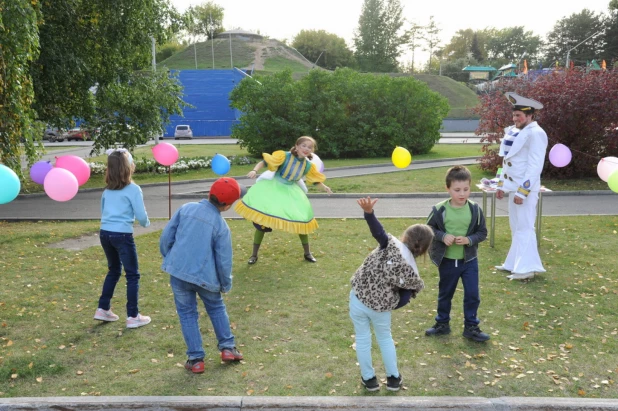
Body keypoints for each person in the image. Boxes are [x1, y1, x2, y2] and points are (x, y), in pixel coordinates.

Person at [160, 177, 246, 374]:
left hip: (179, 274)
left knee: (187, 313)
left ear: (210, 193)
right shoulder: (221, 226)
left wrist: (172, 259)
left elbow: (166, 238)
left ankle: (196, 359)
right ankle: (227, 348)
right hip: (207, 279)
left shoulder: (186, 209)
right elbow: (224, 260)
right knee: (216, 308)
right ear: (228, 205)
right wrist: (226, 284)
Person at [350, 197, 433, 392]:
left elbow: (377, 230)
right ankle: (393, 379)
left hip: (357, 297)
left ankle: (369, 379)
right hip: (381, 309)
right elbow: (404, 298)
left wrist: (369, 212)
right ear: (424, 249)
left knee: (362, 339)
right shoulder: (412, 272)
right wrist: (390, 304)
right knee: (385, 338)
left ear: (406, 236)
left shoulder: (389, 244)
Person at [235, 136, 332, 264]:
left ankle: (307, 253)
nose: (306, 149)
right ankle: (254, 255)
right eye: (303, 145)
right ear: (296, 146)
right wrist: (254, 170)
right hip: (273, 189)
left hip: (291, 192)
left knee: (301, 221)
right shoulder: (284, 156)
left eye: (310, 147)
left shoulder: (308, 165)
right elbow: (264, 162)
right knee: (262, 222)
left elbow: (315, 181)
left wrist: (324, 187)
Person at [425, 165, 489, 342]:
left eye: (466, 189)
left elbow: (482, 232)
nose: (462, 194)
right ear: (448, 189)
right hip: (447, 261)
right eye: (457, 190)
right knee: (445, 293)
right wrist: (442, 236)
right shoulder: (440, 209)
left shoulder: (475, 210)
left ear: (470, 187)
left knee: (472, 294)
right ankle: (442, 324)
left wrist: (469, 240)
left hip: (469, 261)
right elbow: (428, 229)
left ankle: (471, 327)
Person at [94, 150, 151, 329]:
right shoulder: (133, 189)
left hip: (105, 233)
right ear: (128, 167)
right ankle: (133, 315)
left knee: (114, 270)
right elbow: (141, 214)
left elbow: (104, 211)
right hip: (122, 236)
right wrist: (146, 223)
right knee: (132, 274)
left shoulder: (107, 191)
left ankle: (103, 308)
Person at [495, 92, 548, 280]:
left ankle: (527, 269)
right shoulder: (515, 131)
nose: (515, 118)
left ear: (530, 115)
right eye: (514, 114)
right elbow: (507, 162)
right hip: (513, 188)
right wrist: (501, 185)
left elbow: (534, 167)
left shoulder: (537, 133)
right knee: (516, 227)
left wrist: (523, 192)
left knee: (525, 227)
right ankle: (513, 263)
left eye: (519, 115)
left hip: (524, 190)